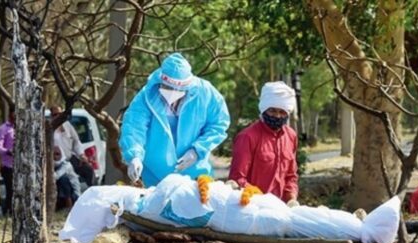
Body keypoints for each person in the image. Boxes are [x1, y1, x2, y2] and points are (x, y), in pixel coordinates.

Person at [119, 52, 230, 187]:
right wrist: (135, 155)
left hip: (195, 173)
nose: (172, 92)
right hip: (156, 176)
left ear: (187, 86)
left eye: (178, 89)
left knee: (195, 205)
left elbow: (219, 124)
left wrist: (197, 150)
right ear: (161, 81)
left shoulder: (205, 93)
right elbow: (134, 126)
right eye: (167, 87)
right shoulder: (147, 96)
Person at [228, 81, 299, 205]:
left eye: (282, 112)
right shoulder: (247, 137)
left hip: (282, 209)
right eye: (272, 111)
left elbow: (291, 176)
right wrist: (262, 200)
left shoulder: (291, 136)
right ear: (264, 109)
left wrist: (291, 198)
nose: (277, 116)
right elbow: (237, 179)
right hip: (253, 207)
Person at [50, 106, 96, 187]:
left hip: (70, 158)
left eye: (60, 114)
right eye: (55, 114)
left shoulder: (67, 125)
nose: (58, 117)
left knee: (88, 170)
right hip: (56, 161)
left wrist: (81, 155)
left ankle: (91, 192)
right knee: (64, 180)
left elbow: (76, 141)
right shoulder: (49, 128)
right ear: (52, 115)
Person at [0, 110, 16, 215]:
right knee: (10, 189)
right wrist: (7, 151)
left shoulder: (21, 127)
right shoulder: (3, 128)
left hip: (20, 165)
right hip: (8, 165)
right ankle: (9, 211)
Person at [53, 146, 81, 210]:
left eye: (57, 154)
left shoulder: (66, 165)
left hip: (74, 195)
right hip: (59, 196)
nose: (55, 157)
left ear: (62, 154)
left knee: (63, 179)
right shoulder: (53, 165)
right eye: (53, 155)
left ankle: (69, 204)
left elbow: (56, 176)